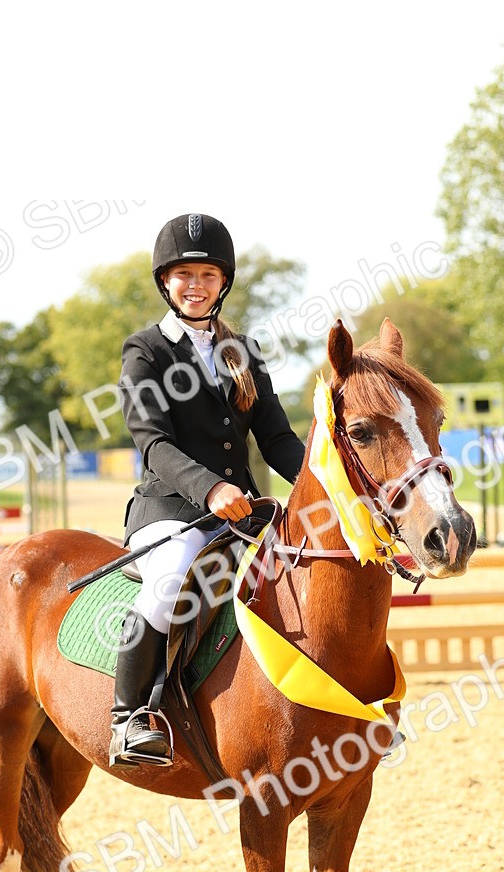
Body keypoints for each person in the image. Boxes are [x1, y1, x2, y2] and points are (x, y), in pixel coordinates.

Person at [110, 213, 305, 767]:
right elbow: (153, 443)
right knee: (171, 582)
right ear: (165, 283)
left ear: (224, 283)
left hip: (241, 511)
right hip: (171, 509)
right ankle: (129, 717)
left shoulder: (242, 350)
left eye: (207, 274)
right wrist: (211, 488)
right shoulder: (145, 349)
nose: (195, 285)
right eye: (183, 275)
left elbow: (276, 439)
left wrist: (324, 486)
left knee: (309, 572)